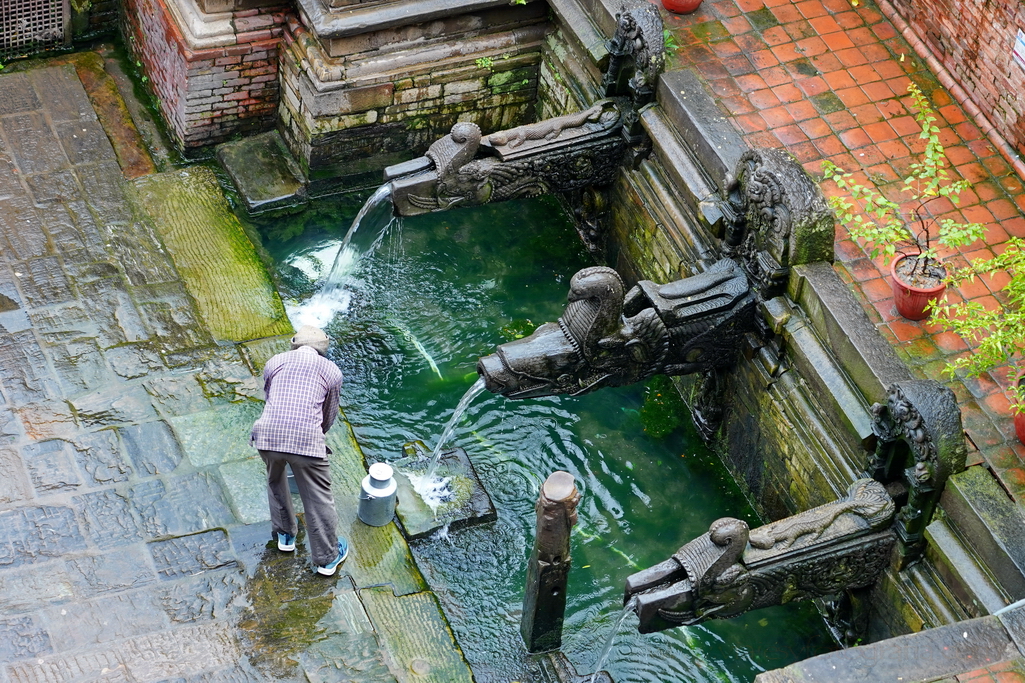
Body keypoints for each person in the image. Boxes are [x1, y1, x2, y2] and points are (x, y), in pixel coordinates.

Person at [251, 325, 349, 575]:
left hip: (267, 434)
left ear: (294, 344)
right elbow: (328, 416)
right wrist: (313, 438)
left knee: (275, 482)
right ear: (323, 349)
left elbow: (271, 398)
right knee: (319, 497)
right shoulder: (331, 371)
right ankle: (327, 557)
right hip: (306, 441)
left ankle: (285, 537)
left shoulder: (275, 361)